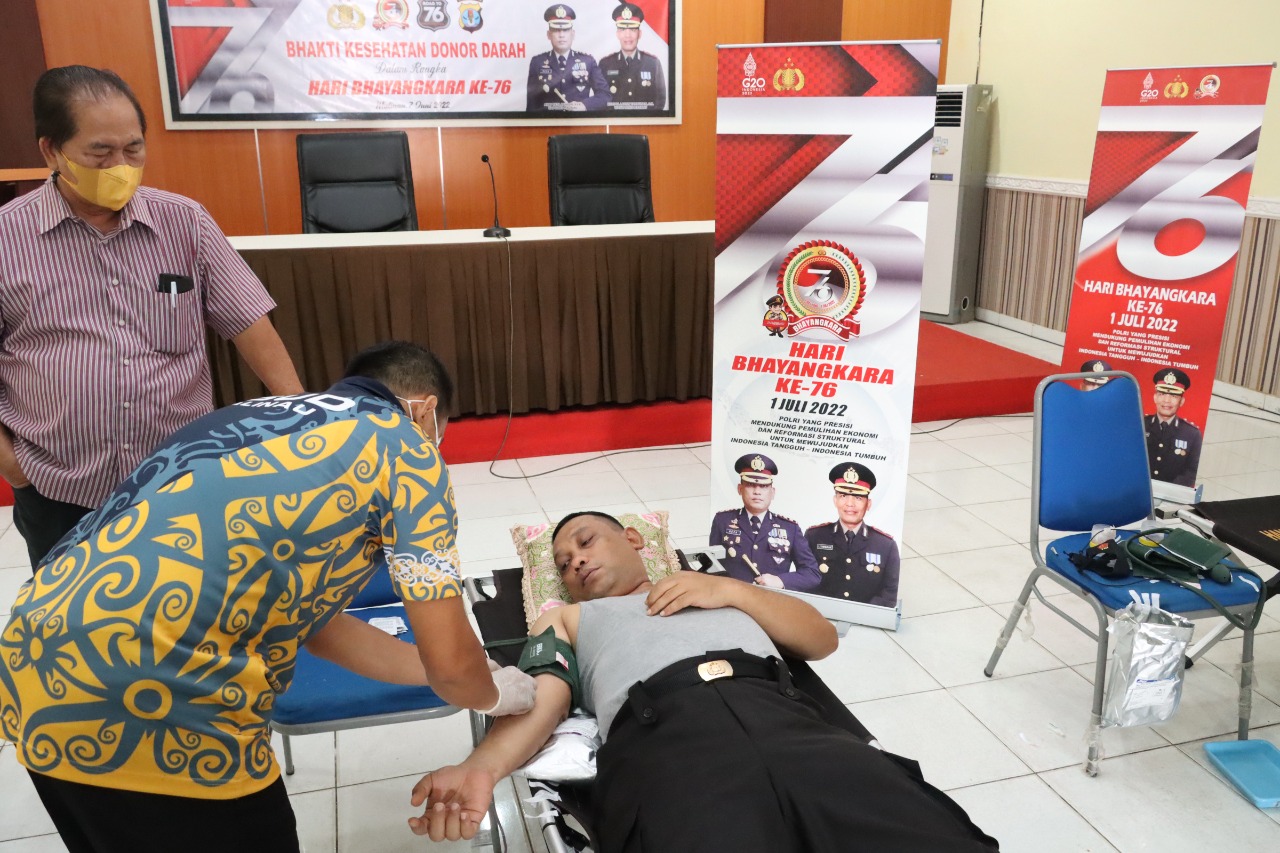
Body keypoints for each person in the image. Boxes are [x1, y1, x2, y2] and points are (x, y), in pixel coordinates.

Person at [0, 341, 536, 853]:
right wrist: (492, 693)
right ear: (425, 410)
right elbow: (451, 666)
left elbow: (321, 632)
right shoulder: (406, 447)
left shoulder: (249, 417)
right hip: (162, 694)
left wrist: (450, 674)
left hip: (35, 671)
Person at [408, 511, 1000, 852]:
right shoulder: (567, 617)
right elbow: (544, 701)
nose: (576, 561)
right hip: (667, 748)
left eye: (586, 542)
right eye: (563, 563)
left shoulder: (724, 589)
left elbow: (822, 639)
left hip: (789, 725)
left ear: (634, 539)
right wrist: (483, 766)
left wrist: (729, 590)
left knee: (930, 837)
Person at [0, 65, 303, 572]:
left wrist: (299, 418)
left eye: (133, 149)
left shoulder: (185, 222)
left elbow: (249, 322)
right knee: (79, 615)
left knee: (194, 603)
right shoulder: (7, 238)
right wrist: (13, 467)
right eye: (101, 152)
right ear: (51, 151)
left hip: (182, 479)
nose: (120, 166)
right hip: (58, 487)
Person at [709, 453, 821, 591]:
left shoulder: (790, 529)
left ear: (772, 492)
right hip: (732, 598)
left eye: (763, 486)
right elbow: (712, 566)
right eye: (751, 485)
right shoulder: (722, 521)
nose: (757, 492)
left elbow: (812, 573)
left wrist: (780, 581)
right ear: (740, 489)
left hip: (770, 600)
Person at [805, 462, 901, 607]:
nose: (850, 504)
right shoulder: (814, 536)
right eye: (843, 496)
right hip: (821, 613)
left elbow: (888, 595)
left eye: (858, 498)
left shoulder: (886, 545)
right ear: (835, 500)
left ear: (868, 504)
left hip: (866, 616)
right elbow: (805, 581)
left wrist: (862, 614)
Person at [526, 5, 609, 112]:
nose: (561, 35)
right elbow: (532, 104)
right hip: (549, 121)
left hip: (578, 121)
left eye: (565, 30)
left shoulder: (588, 61)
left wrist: (584, 105)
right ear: (549, 35)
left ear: (573, 34)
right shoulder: (537, 62)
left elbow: (605, 95)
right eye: (556, 30)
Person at [597, 2, 667, 112]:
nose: (628, 35)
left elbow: (660, 100)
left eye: (633, 30)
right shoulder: (605, 64)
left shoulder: (653, 63)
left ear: (639, 34)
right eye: (623, 30)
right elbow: (601, 98)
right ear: (617, 34)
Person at [1145, 367, 1202, 487]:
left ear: (1182, 401)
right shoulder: (1140, 424)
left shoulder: (1192, 434)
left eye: (1174, 396)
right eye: (1162, 394)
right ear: (1155, 398)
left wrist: (1167, 490)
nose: (1167, 401)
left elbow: (1191, 471)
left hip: (1171, 492)